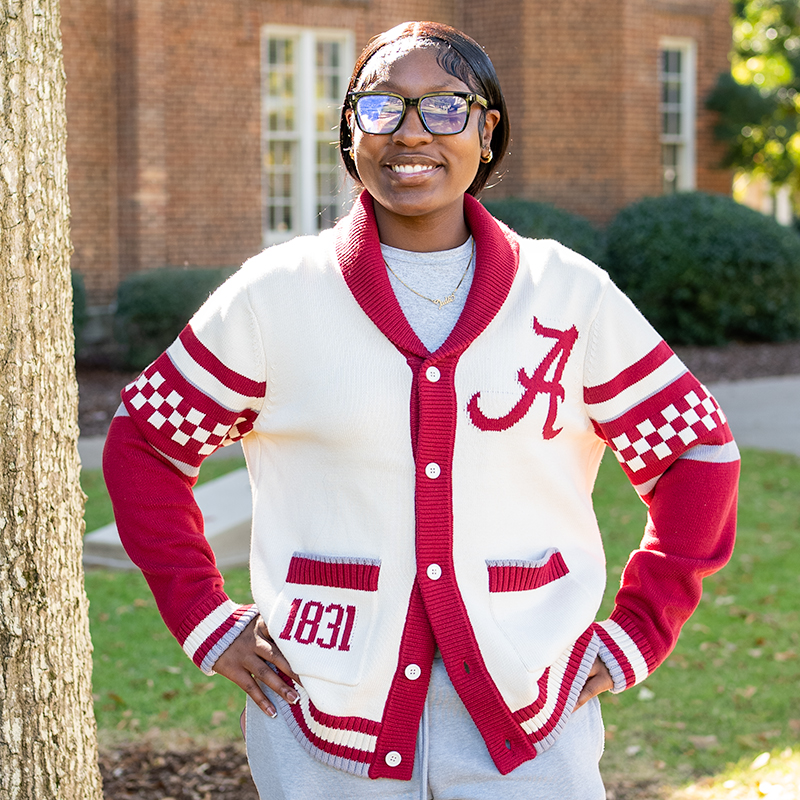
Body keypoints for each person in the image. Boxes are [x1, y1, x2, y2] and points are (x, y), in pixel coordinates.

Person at [103, 21, 740, 800]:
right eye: (380, 107)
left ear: (486, 128)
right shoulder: (278, 296)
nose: (410, 133)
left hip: (532, 705)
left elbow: (696, 455)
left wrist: (641, 630)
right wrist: (204, 617)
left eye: (443, 106)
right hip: (319, 705)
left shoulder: (567, 295)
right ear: (350, 130)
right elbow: (145, 444)